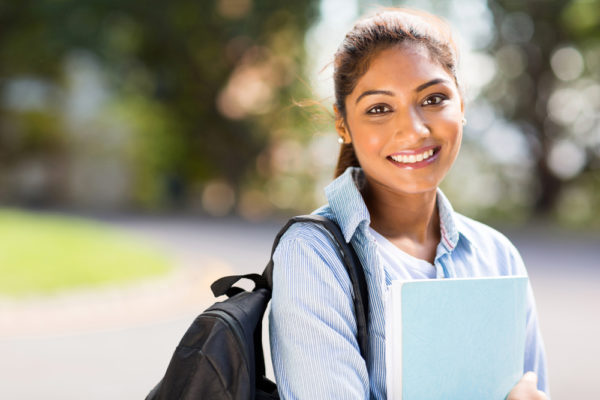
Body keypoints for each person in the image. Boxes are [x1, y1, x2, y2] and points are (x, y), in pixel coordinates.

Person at [269, 7, 549, 400]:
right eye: (379, 109)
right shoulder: (313, 256)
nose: (414, 130)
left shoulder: (497, 256)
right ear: (343, 125)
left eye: (434, 98)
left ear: (462, 105)